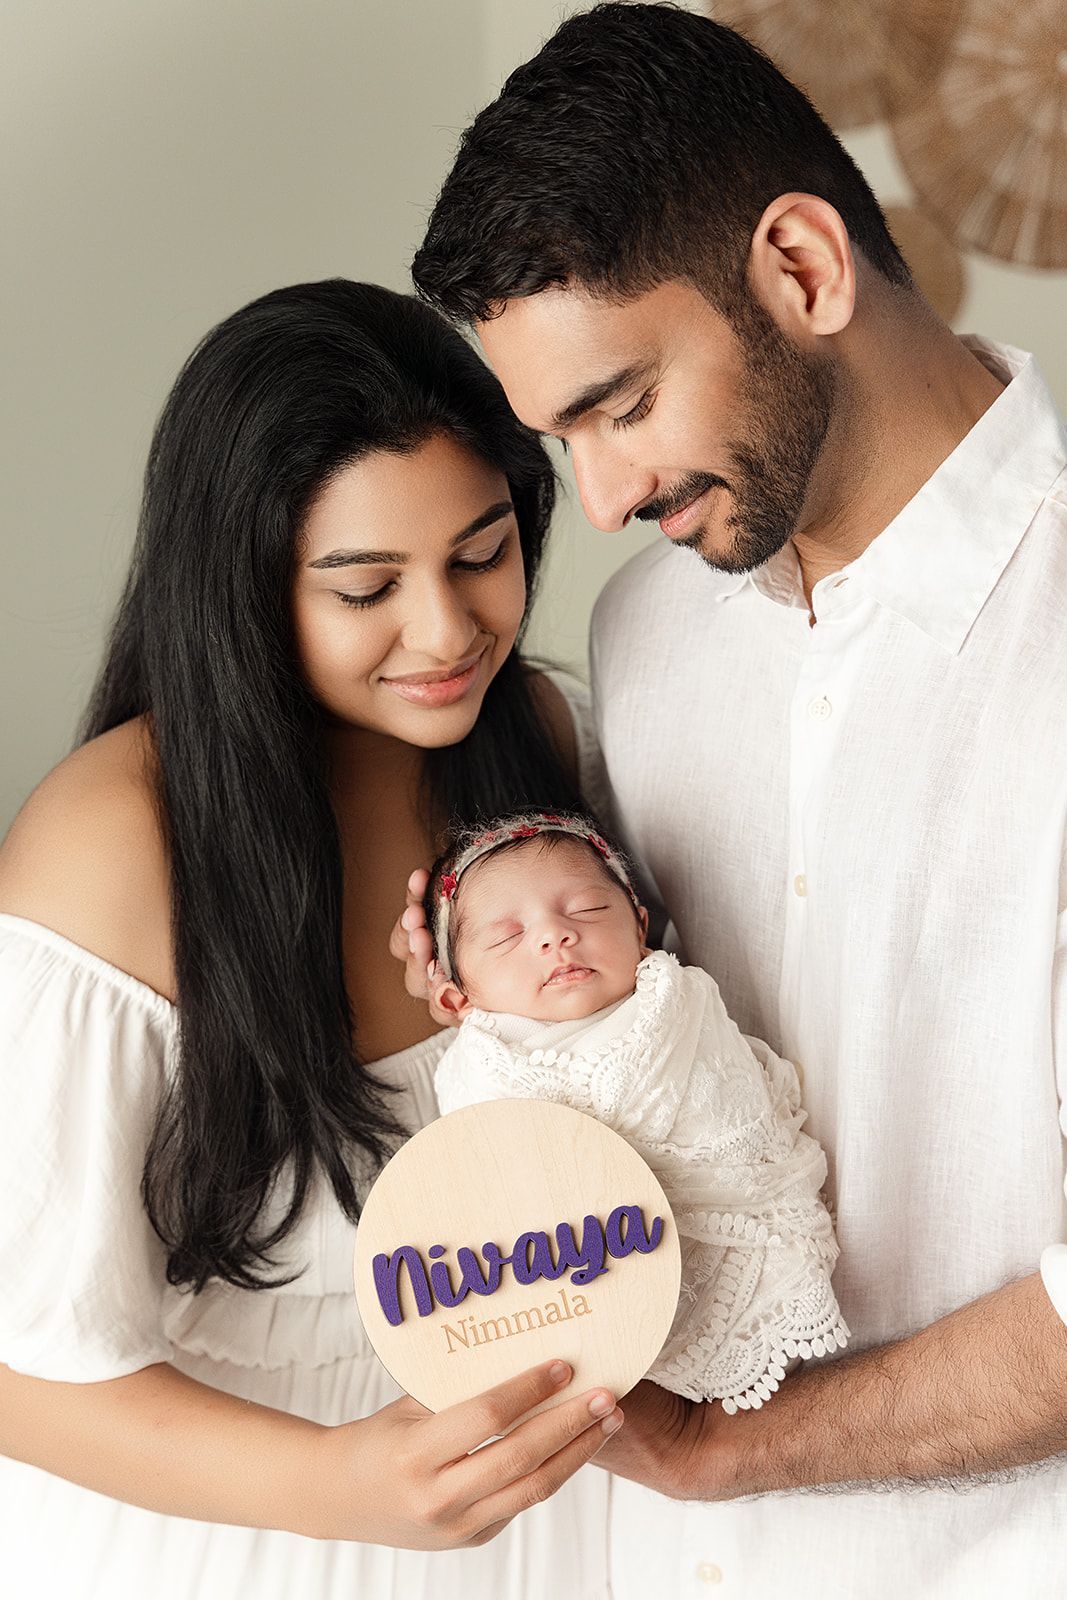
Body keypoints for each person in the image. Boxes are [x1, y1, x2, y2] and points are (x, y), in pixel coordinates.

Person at [409, 3, 1067, 1596]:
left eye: (620, 404)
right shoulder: (647, 634)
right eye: (558, 439)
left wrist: (729, 1452)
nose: (606, 499)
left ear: (799, 268)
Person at [0, 279, 623, 1599]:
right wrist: (335, 1486)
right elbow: (20, 1370)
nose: (448, 632)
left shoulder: (542, 758)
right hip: (228, 1542)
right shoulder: (113, 847)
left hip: (532, 1526)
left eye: (479, 552)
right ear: (241, 586)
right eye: (364, 588)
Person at [426, 808, 849, 1414]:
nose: (555, 935)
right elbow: (482, 1192)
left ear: (641, 928)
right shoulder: (478, 1068)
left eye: (589, 910)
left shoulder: (681, 1008)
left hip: (725, 1232)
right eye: (507, 936)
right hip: (576, 1282)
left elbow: (737, 1124)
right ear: (456, 996)